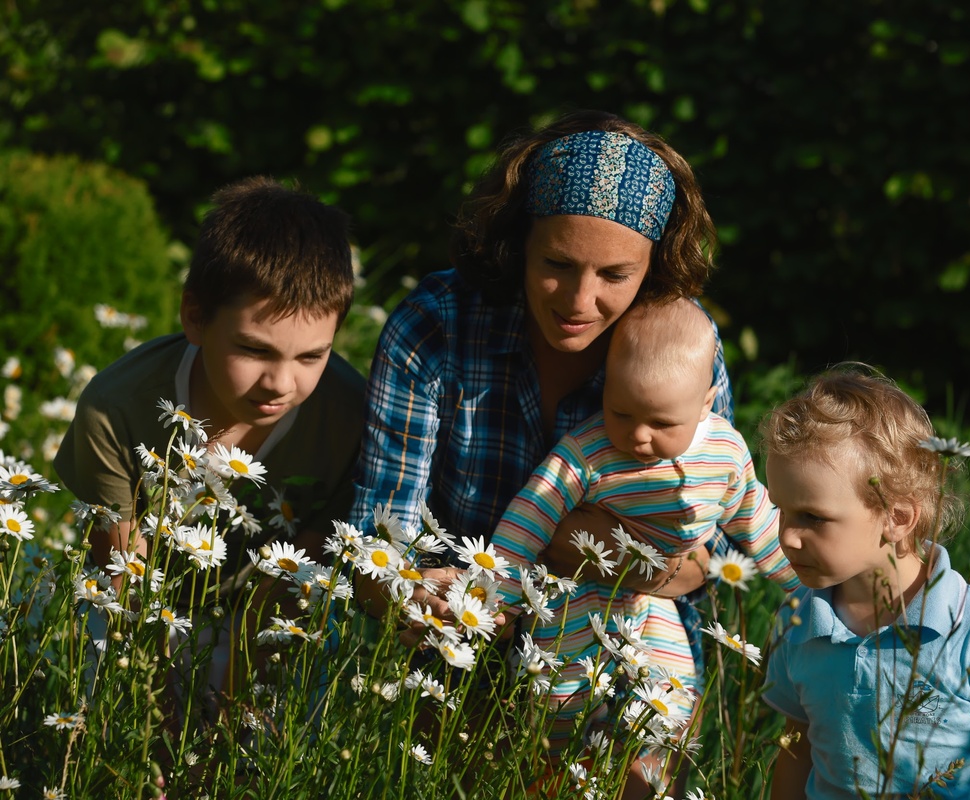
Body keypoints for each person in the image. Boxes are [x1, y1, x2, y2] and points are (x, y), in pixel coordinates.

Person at [351, 110, 731, 625]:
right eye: (558, 265)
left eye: (615, 275)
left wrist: (584, 550)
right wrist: (419, 594)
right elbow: (378, 533)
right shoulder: (435, 328)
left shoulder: (685, 349)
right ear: (519, 241)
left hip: (625, 651)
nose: (580, 300)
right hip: (457, 635)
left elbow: (712, 563)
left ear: (654, 266)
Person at [55, 175, 365, 693]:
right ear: (195, 317)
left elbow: (298, 578)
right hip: (138, 614)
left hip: (271, 615)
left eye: (312, 356)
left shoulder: (348, 415)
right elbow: (125, 579)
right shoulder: (115, 409)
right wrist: (156, 713)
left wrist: (235, 699)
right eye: (255, 350)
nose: (281, 383)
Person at [490, 297, 799, 753]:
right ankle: (552, 771)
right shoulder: (588, 451)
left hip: (652, 598)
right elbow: (531, 515)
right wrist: (499, 593)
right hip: (574, 595)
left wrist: (803, 580)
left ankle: (644, 778)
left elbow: (756, 520)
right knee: (556, 700)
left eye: (661, 422)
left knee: (669, 707)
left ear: (706, 403)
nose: (638, 435)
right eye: (621, 412)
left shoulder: (724, 453)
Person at [760, 365, 970, 799]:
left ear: (896, 519)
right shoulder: (799, 620)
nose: (786, 535)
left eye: (812, 517)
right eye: (781, 510)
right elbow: (796, 745)